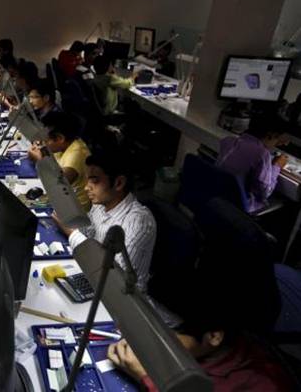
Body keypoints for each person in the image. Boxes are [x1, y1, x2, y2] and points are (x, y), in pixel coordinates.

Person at [106, 288, 294, 391]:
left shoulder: (260, 385)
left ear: (213, 336)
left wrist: (146, 377)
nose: (157, 337)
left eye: (169, 334)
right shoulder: (207, 348)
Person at [55, 150, 156, 291]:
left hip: (122, 295)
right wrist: (70, 218)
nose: (86, 187)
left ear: (119, 183)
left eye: (95, 181)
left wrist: (71, 233)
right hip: (94, 276)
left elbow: (114, 275)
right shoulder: (101, 204)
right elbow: (89, 231)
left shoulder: (139, 222)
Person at [216, 113, 289, 213]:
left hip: (217, 195)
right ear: (270, 135)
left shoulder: (228, 141)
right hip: (239, 206)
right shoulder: (262, 154)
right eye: (277, 139)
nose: (276, 144)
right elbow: (265, 192)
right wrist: (277, 166)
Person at [28, 111, 91, 212]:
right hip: (62, 201)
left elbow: (57, 185)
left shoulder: (76, 155)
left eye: (46, 140)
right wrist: (42, 151)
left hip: (73, 211)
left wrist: (39, 161)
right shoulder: (64, 145)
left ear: (60, 138)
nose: (43, 142)